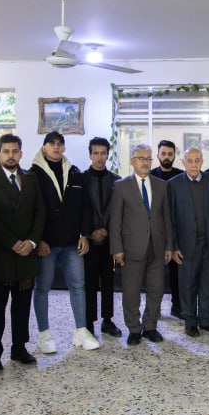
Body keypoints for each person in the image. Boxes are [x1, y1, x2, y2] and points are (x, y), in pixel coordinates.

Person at [0, 134, 44, 369]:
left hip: (26, 255)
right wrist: (12, 243)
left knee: (22, 305)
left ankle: (19, 348)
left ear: (21, 154)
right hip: (0, 255)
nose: (11, 156)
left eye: (15, 151)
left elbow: (40, 212)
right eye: (6, 151)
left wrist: (32, 242)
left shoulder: (31, 179)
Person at [29, 131, 100, 353]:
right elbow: (30, 210)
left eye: (60, 144)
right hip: (46, 244)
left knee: (78, 286)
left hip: (71, 243)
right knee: (42, 288)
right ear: (44, 147)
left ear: (64, 148)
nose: (56, 147)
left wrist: (84, 234)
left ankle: (81, 331)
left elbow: (85, 207)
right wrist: (38, 239)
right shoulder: (33, 174)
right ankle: (44, 335)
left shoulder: (75, 173)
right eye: (52, 144)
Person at [109, 143, 173, 345]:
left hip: (157, 247)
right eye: (141, 158)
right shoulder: (121, 186)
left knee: (156, 290)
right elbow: (115, 221)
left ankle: (150, 326)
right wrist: (117, 248)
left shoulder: (161, 185)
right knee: (131, 291)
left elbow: (167, 218)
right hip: (131, 247)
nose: (146, 162)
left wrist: (169, 245)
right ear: (132, 161)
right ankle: (134, 329)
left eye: (148, 158)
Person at [167, 147, 209, 336]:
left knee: (208, 284)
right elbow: (170, 219)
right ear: (183, 162)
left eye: (197, 160)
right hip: (185, 246)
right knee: (187, 285)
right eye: (189, 160)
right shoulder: (173, 184)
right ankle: (190, 323)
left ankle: (206, 321)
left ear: (202, 161)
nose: (193, 165)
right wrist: (173, 246)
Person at [82, 137, 122, 338]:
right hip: (88, 241)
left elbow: (119, 211)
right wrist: (90, 233)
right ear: (90, 155)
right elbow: (78, 210)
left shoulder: (117, 181)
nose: (99, 157)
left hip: (109, 240)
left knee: (108, 282)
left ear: (108, 155)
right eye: (96, 153)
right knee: (89, 283)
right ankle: (88, 322)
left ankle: (107, 320)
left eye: (103, 153)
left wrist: (106, 230)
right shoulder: (80, 179)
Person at [152, 139, 184, 320]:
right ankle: (154, 307)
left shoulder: (181, 176)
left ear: (174, 156)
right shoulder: (150, 176)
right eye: (163, 153)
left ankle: (177, 306)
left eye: (170, 154)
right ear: (158, 155)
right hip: (155, 233)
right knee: (155, 273)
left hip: (177, 232)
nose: (166, 157)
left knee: (177, 272)